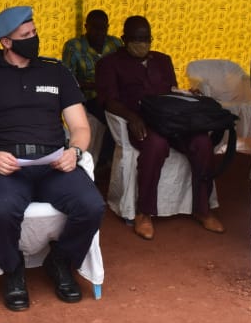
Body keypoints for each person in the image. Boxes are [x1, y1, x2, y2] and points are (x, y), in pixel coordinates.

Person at [0, 5, 105, 312]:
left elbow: (80, 126)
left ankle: (61, 262)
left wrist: (75, 152)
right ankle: (13, 272)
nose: (34, 39)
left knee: (92, 206)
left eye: (34, 32)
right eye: (26, 35)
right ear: (6, 42)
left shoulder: (57, 72)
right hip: (9, 167)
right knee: (0, 210)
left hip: (56, 165)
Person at [95, 15, 224, 240]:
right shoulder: (109, 64)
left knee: (202, 142)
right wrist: (131, 117)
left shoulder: (163, 60)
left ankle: (203, 209)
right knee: (155, 145)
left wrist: (187, 95)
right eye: (136, 39)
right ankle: (144, 213)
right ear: (124, 39)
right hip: (141, 122)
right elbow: (108, 100)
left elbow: (171, 91)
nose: (141, 43)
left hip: (171, 120)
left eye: (146, 38)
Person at [62, 9, 122, 170]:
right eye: (95, 28)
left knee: (119, 113)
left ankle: (107, 160)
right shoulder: (73, 47)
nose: (99, 32)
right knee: (108, 115)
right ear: (86, 26)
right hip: (87, 98)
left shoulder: (115, 44)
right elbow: (68, 79)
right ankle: (102, 161)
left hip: (113, 95)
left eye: (103, 28)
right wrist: (98, 85)